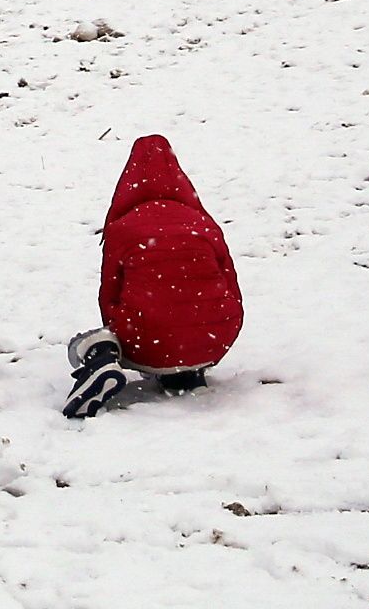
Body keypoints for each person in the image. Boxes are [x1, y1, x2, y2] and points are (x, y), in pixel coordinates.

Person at [63, 135, 244, 419]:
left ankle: (101, 360)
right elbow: (231, 286)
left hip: (149, 341)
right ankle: (189, 369)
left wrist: (121, 334)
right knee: (187, 322)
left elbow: (109, 295)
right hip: (214, 339)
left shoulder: (124, 227)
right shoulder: (203, 223)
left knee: (83, 342)